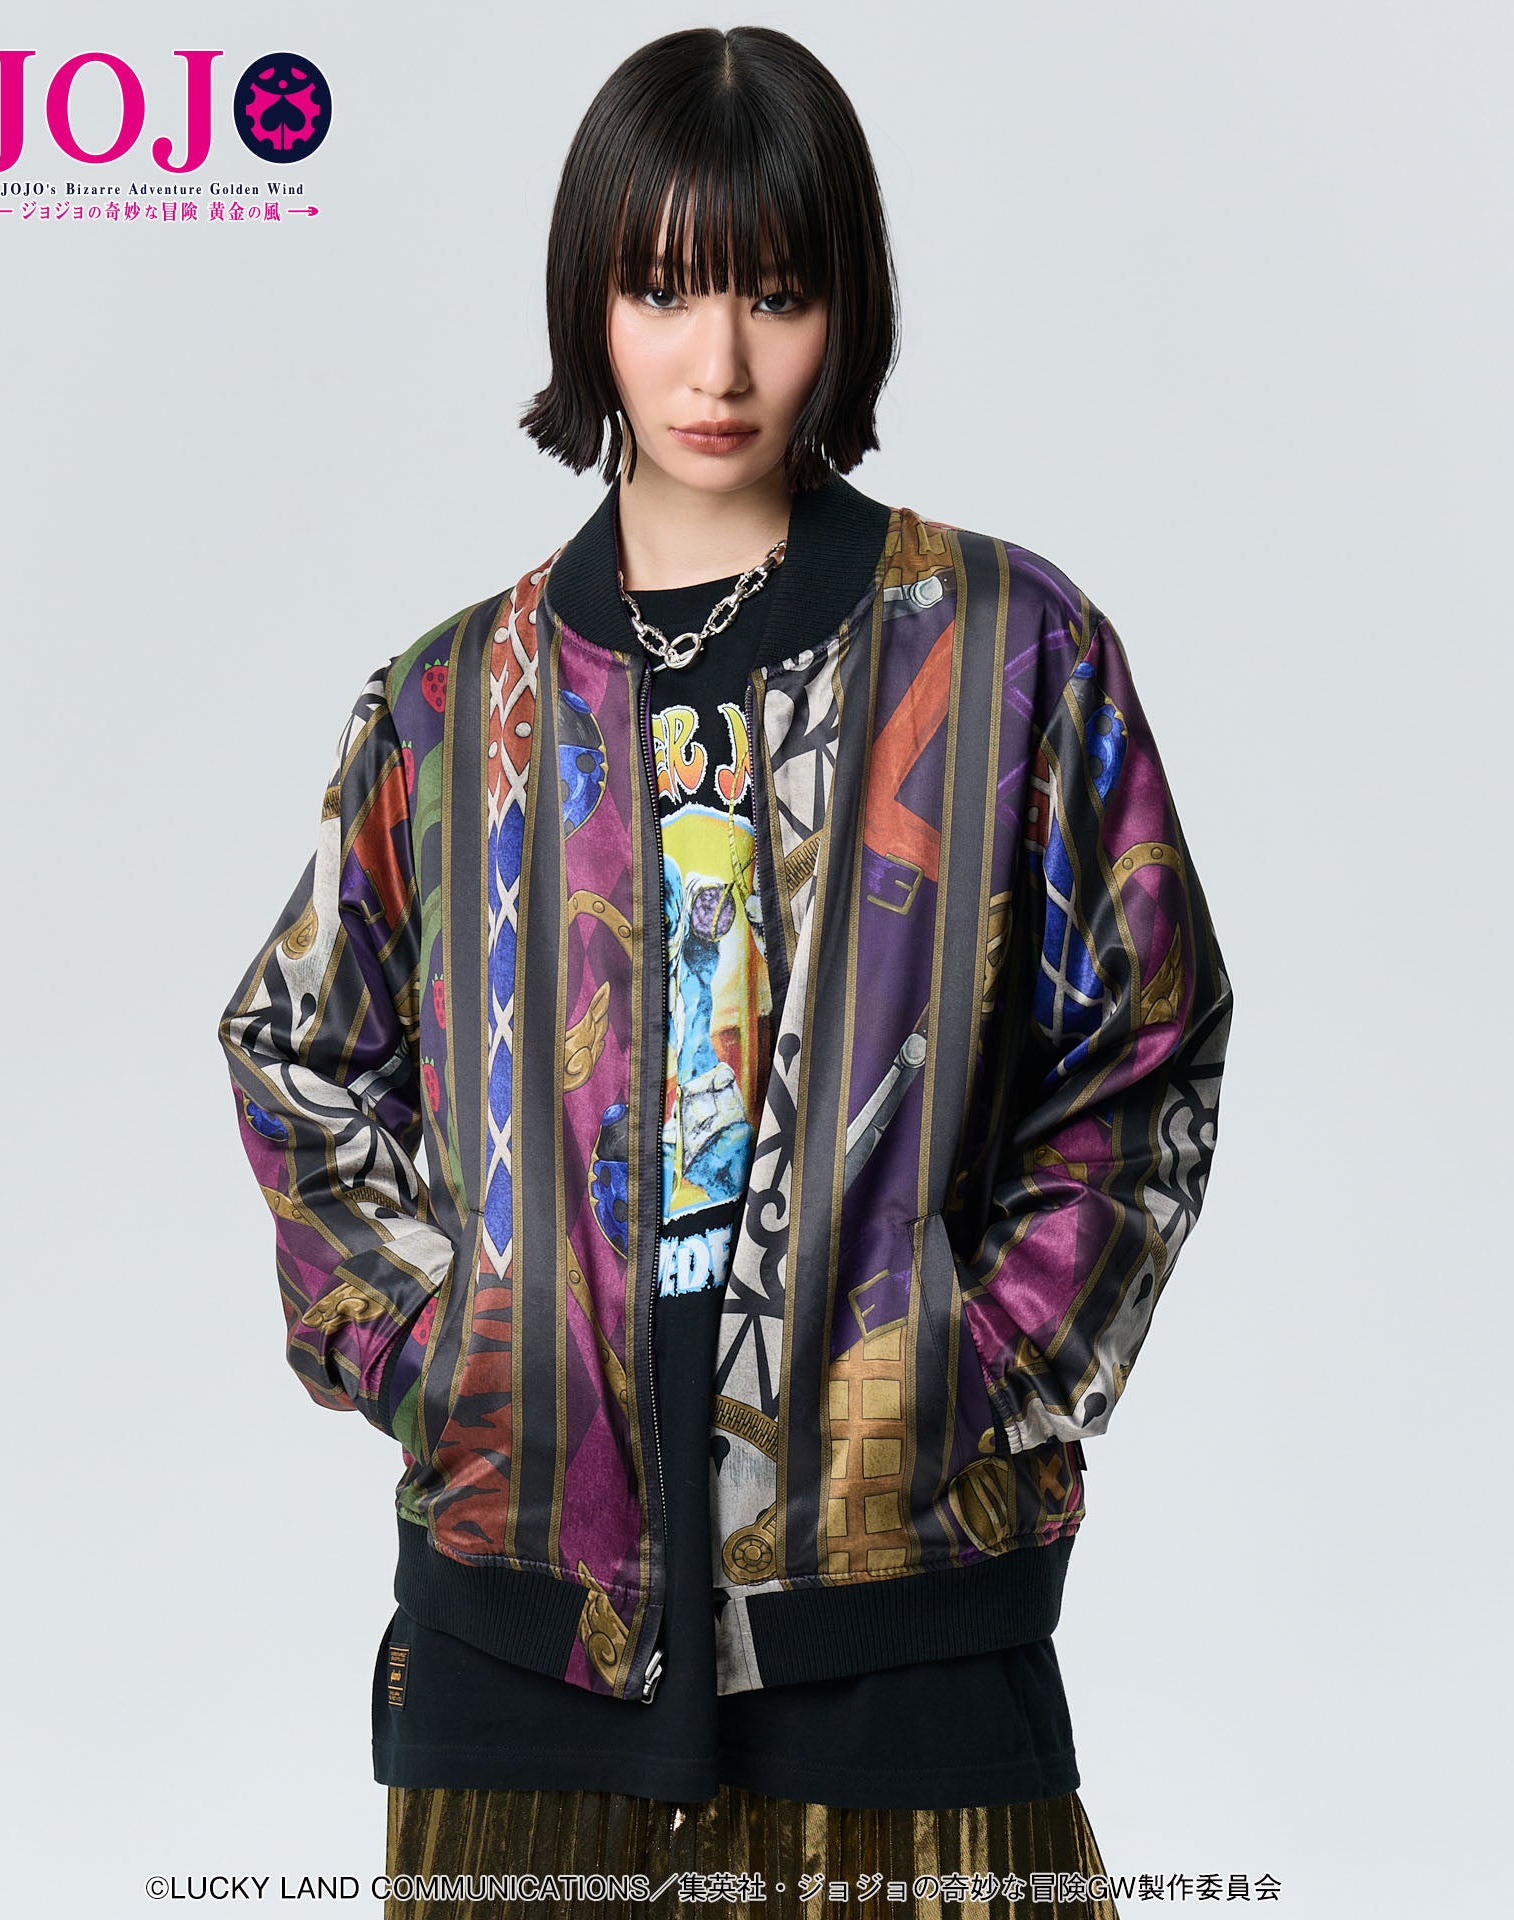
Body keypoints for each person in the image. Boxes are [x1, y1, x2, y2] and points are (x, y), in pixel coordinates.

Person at [216, 25, 1233, 1920]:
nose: (720, 363)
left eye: (775, 292)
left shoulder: (1010, 651)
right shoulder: (454, 703)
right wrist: (452, 1358)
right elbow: (298, 1054)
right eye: (664, 291)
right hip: (521, 1654)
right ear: (588, 306)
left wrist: (976, 1367)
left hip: (906, 1625)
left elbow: (1145, 1045)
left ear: (846, 304)